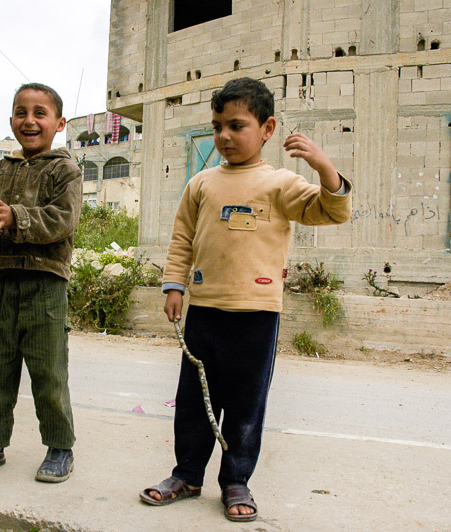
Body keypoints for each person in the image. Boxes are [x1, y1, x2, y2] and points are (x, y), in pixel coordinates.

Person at [139, 78, 352, 521]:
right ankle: (187, 475)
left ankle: (236, 481)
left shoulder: (281, 184)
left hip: (257, 315)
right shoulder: (201, 183)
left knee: (245, 405)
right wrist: (174, 285)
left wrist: (323, 166)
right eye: (218, 126)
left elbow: (333, 211)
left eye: (237, 125)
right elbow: (182, 239)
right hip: (205, 311)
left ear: (267, 128)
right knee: (194, 400)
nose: (224, 136)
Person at [0, 83, 81, 483]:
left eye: (40, 113)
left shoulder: (65, 170)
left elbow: (63, 220)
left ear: (59, 123)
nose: (29, 120)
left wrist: (16, 217)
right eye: (21, 112)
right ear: (11, 119)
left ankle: (60, 447)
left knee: (49, 372)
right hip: (1, 282)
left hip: (46, 284)